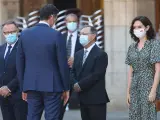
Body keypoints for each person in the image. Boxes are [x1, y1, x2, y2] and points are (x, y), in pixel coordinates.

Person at [16, 4, 70, 120]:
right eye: (55, 18)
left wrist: (23, 87)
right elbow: (62, 63)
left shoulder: (25, 34)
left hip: (31, 85)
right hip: (52, 85)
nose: (55, 21)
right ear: (51, 17)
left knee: (32, 117)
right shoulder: (56, 35)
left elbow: (20, 62)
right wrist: (66, 87)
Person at [71, 25, 110, 120]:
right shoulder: (78, 54)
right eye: (80, 34)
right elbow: (73, 71)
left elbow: (96, 74)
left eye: (84, 34)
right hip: (82, 98)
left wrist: (80, 85)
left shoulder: (101, 54)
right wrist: (74, 83)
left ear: (93, 36)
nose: (81, 36)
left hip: (96, 99)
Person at [125, 16, 160, 120]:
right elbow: (131, 71)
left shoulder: (154, 44)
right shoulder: (132, 47)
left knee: (147, 116)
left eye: (139, 26)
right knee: (134, 116)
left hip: (148, 86)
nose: (136, 29)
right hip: (134, 88)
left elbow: (158, 69)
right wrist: (128, 92)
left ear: (147, 27)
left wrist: (154, 90)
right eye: (134, 27)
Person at [0, 20, 27, 120]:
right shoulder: (1, 49)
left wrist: (9, 87)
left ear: (17, 31)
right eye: (7, 32)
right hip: (3, 96)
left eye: (12, 31)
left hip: (19, 95)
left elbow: (23, 70)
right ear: (3, 34)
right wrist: (1, 89)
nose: (10, 34)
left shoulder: (24, 48)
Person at [59, 13, 83, 120]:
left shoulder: (83, 37)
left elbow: (89, 53)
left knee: (85, 105)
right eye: (69, 21)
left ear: (78, 23)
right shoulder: (60, 37)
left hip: (79, 75)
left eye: (74, 21)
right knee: (60, 106)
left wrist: (76, 59)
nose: (72, 24)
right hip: (63, 76)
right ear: (65, 23)